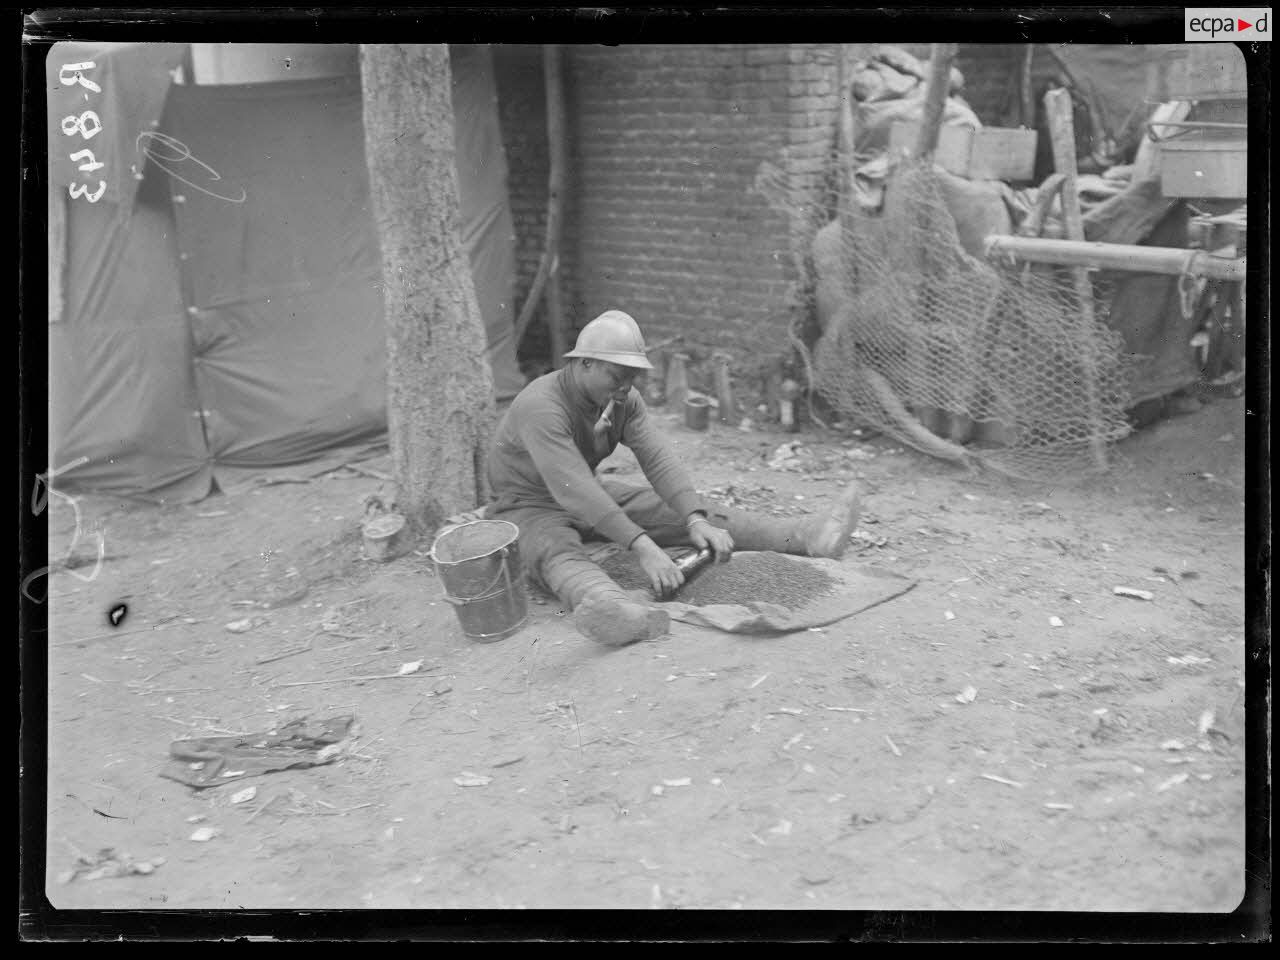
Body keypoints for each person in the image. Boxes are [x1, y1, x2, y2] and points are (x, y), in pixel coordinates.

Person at [485, 309, 861, 646]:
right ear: (584, 363)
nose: (625, 388)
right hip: (528, 506)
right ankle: (617, 611)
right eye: (617, 376)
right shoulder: (542, 406)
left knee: (680, 512)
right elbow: (575, 489)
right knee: (556, 552)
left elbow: (658, 457)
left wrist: (693, 517)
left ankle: (806, 536)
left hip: (588, 493)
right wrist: (644, 548)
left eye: (631, 379)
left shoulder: (621, 401)